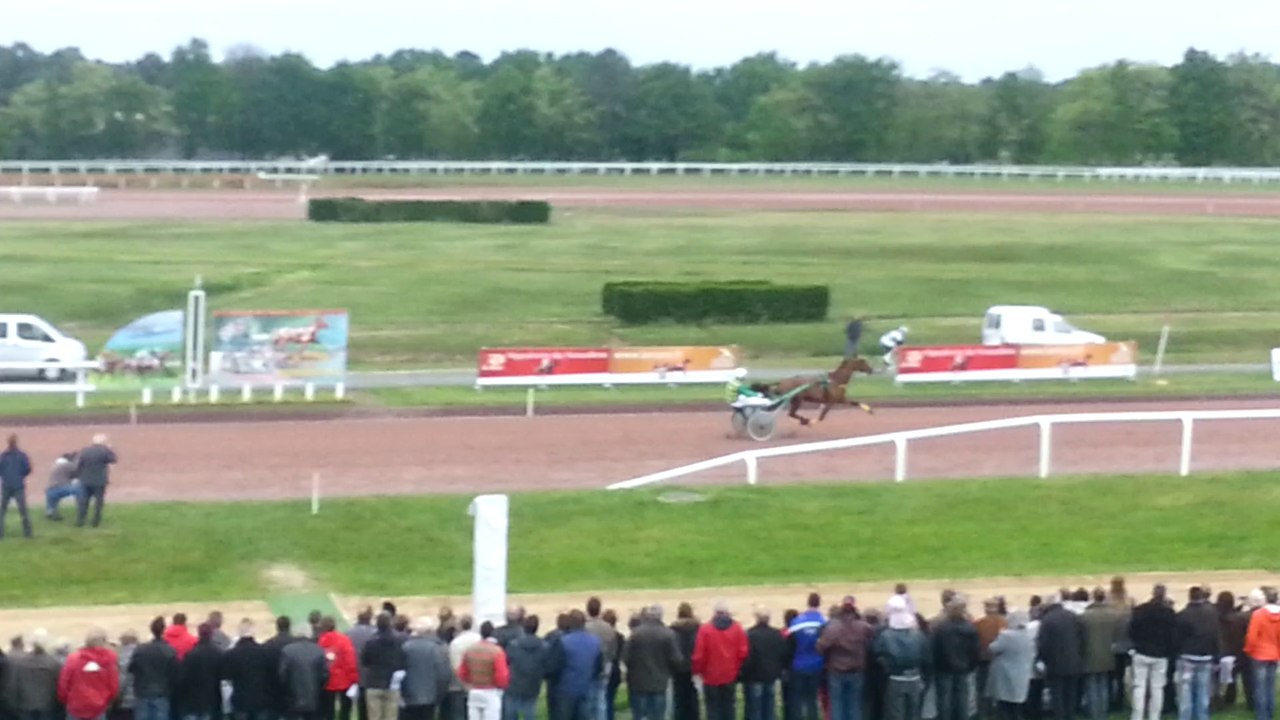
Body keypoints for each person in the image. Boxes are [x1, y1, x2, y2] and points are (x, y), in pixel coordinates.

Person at [817, 597, 874, 720]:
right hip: (856, 670)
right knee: (854, 705)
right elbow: (871, 641)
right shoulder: (863, 627)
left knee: (837, 706)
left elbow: (820, 647)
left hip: (837, 671)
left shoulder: (833, 628)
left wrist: (828, 656)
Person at [874, 596, 930, 720]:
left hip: (895, 679)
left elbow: (877, 654)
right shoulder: (918, 635)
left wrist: (887, 669)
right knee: (914, 713)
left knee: (895, 714)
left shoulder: (885, 635)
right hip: (915, 677)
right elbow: (926, 658)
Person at [692, 602, 750, 720]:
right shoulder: (737, 628)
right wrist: (736, 667)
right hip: (730, 674)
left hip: (710, 676)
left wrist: (698, 671)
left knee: (713, 708)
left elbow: (699, 655)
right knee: (729, 707)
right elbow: (743, 652)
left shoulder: (705, 629)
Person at [624, 605, 683, 720]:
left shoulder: (635, 634)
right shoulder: (668, 634)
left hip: (638, 683)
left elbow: (626, 657)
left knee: (639, 716)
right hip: (659, 683)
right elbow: (676, 659)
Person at [1130, 585, 1178, 720]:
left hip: (1141, 651)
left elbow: (1132, 630)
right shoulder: (1169, 613)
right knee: (1157, 688)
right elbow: (1172, 635)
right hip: (1160, 654)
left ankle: (1137, 716)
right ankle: (1154, 717)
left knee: (1139, 687)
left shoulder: (1140, 610)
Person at [1037, 594, 1085, 720]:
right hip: (1074, 661)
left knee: (1057, 695)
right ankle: (1070, 716)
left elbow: (1043, 644)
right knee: (1071, 694)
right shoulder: (1072, 616)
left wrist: (1042, 659)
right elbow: (1081, 638)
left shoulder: (1047, 620)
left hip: (1055, 663)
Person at [547, 610, 602, 720]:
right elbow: (599, 667)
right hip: (586, 688)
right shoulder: (595, 641)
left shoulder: (563, 641)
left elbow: (554, 667)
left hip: (565, 689)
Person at [932, 597, 980, 720]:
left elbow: (935, 648)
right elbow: (974, 650)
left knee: (944, 699)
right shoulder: (970, 628)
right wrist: (971, 666)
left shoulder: (941, 628)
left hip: (944, 668)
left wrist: (937, 665)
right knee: (962, 698)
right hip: (963, 667)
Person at [1176, 586, 1220, 720]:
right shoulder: (1212, 613)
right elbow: (1215, 636)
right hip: (1206, 657)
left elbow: (1177, 638)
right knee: (1203, 694)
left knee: (1185, 696)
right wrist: (1216, 657)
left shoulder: (1183, 614)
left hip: (1187, 657)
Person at [58, 628, 120, 720]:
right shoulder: (110, 660)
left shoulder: (73, 659)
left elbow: (64, 683)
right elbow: (113, 685)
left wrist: (66, 700)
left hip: (76, 705)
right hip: (98, 706)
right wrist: (108, 700)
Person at [1081, 588, 1121, 720]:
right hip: (1107, 655)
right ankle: (1102, 714)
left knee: (1092, 686)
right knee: (1103, 686)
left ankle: (1094, 714)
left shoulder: (1085, 616)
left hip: (1090, 655)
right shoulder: (1113, 615)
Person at [402, 617, 452, 720]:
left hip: (408, 696)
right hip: (430, 697)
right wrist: (439, 695)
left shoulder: (405, 647)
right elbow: (443, 674)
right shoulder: (436, 648)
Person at [987, 611, 1034, 720]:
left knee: (1004, 704)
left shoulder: (1006, 635)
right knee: (1017, 705)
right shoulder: (1028, 634)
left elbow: (992, 648)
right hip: (1023, 673)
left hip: (1006, 674)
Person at [129, 617, 179, 720]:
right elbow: (175, 675)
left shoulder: (141, 650)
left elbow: (132, 669)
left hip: (143, 693)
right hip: (161, 694)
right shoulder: (169, 651)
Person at [742, 606, 787, 720]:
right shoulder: (776, 634)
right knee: (770, 708)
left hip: (755, 677)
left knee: (755, 710)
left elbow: (747, 658)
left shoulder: (750, 635)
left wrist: (744, 674)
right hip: (771, 676)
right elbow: (782, 654)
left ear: (757, 618)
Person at [459, 622, 510, 720]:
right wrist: (501, 686)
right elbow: (502, 675)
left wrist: (470, 683)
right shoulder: (497, 651)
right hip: (490, 691)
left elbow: (462, 672)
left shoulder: (470, 650)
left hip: (474, 690)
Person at [788, 593, 828, 720]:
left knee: (798, 699)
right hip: (817, 665)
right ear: (819, 603)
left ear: (808, 603)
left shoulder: (796, 622)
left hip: (799, 665)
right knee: (812, 699)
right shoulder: (825, 622)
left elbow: (790, 645)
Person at [222, 619, 271, 720]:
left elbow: (226, 677)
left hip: (240, 700)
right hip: (260, 701)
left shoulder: (231, 654)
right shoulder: (264, 652)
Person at [8, 629, 61, 720]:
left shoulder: (21, 662)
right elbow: (59, 685)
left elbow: (14, 684)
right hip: (47, 706)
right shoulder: (53, 662)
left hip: (26, 706)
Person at [362, 613, 407, 720]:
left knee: (374, 717)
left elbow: (365, 661)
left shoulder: (371, 642)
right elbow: (402, 661)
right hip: (392, 684)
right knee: (391, 717)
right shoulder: (398, 641)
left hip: (373, 683)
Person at [1244, 588, 1280, 720]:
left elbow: (1252, 636)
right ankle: (1270, 713)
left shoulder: (1258, 615)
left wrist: (1249, 650)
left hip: (1259, 654)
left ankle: (1262, 716)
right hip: (1274, 654)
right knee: (1270, 687)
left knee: (1260, 688)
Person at [175, 624, 223, 720]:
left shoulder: (190, 654)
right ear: (211, 634)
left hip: (192, 701)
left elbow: (182, 678)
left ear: (199, 634)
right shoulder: (218, 653)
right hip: (211, 701)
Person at [280, 628, 329, 720]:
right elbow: (324, 675)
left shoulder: (287, 650)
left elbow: (283, 675)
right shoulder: (318, 650)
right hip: (314, 696)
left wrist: (286, 691)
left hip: (292, 697)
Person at [316, 617, 358, 720]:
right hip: (344, 680)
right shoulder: (344, 640)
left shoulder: (319, 642)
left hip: (326, 681)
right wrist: (354, 678)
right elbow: (350, 661)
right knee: (345, 709)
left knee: (327, 711)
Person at [584, 599, 619, 720]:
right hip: (605, 666)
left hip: (588, 668)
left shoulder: (584, 627)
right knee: (601, 700)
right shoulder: (608, 628)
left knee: (588, 701)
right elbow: (613, 649)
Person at [74, 434, 117, 528]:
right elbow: (113, 460)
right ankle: (95, 522)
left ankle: (80, 521)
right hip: (99, 480)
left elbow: (79, 464)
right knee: (98, 502)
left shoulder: (85, 450)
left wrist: (78, 476)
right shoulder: (105, 451)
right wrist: (110, 449)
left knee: (84, 501)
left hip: (85, 480)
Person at [670, 604, 701, 720]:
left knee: (679, 699)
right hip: (694, 668)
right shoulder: (698, 629)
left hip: (679, 669)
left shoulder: (673, 630)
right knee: (693, 699)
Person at [0, 434, 33, 540]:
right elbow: (28, 469)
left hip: (7, 485)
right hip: (18, 485)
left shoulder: (3, 456)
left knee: (3, 510)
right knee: (23, 510)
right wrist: (20, 475)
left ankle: (1, 533)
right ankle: (27, 533)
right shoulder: (22, 455)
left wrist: (5, 476)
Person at [449, 617, 481, 720]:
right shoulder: (479, 638)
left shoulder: (456, 642)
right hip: (479, 679)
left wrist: (464, 683)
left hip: (461, 683)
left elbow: (455, 665)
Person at [45, 452, 82, 521]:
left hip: (50, 490)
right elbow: (79, 471)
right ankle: (82, 511)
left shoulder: (57, 465)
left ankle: (50, 510)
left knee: (52, 501)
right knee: (80, 489)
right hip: (61, 488)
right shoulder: (68, 465)